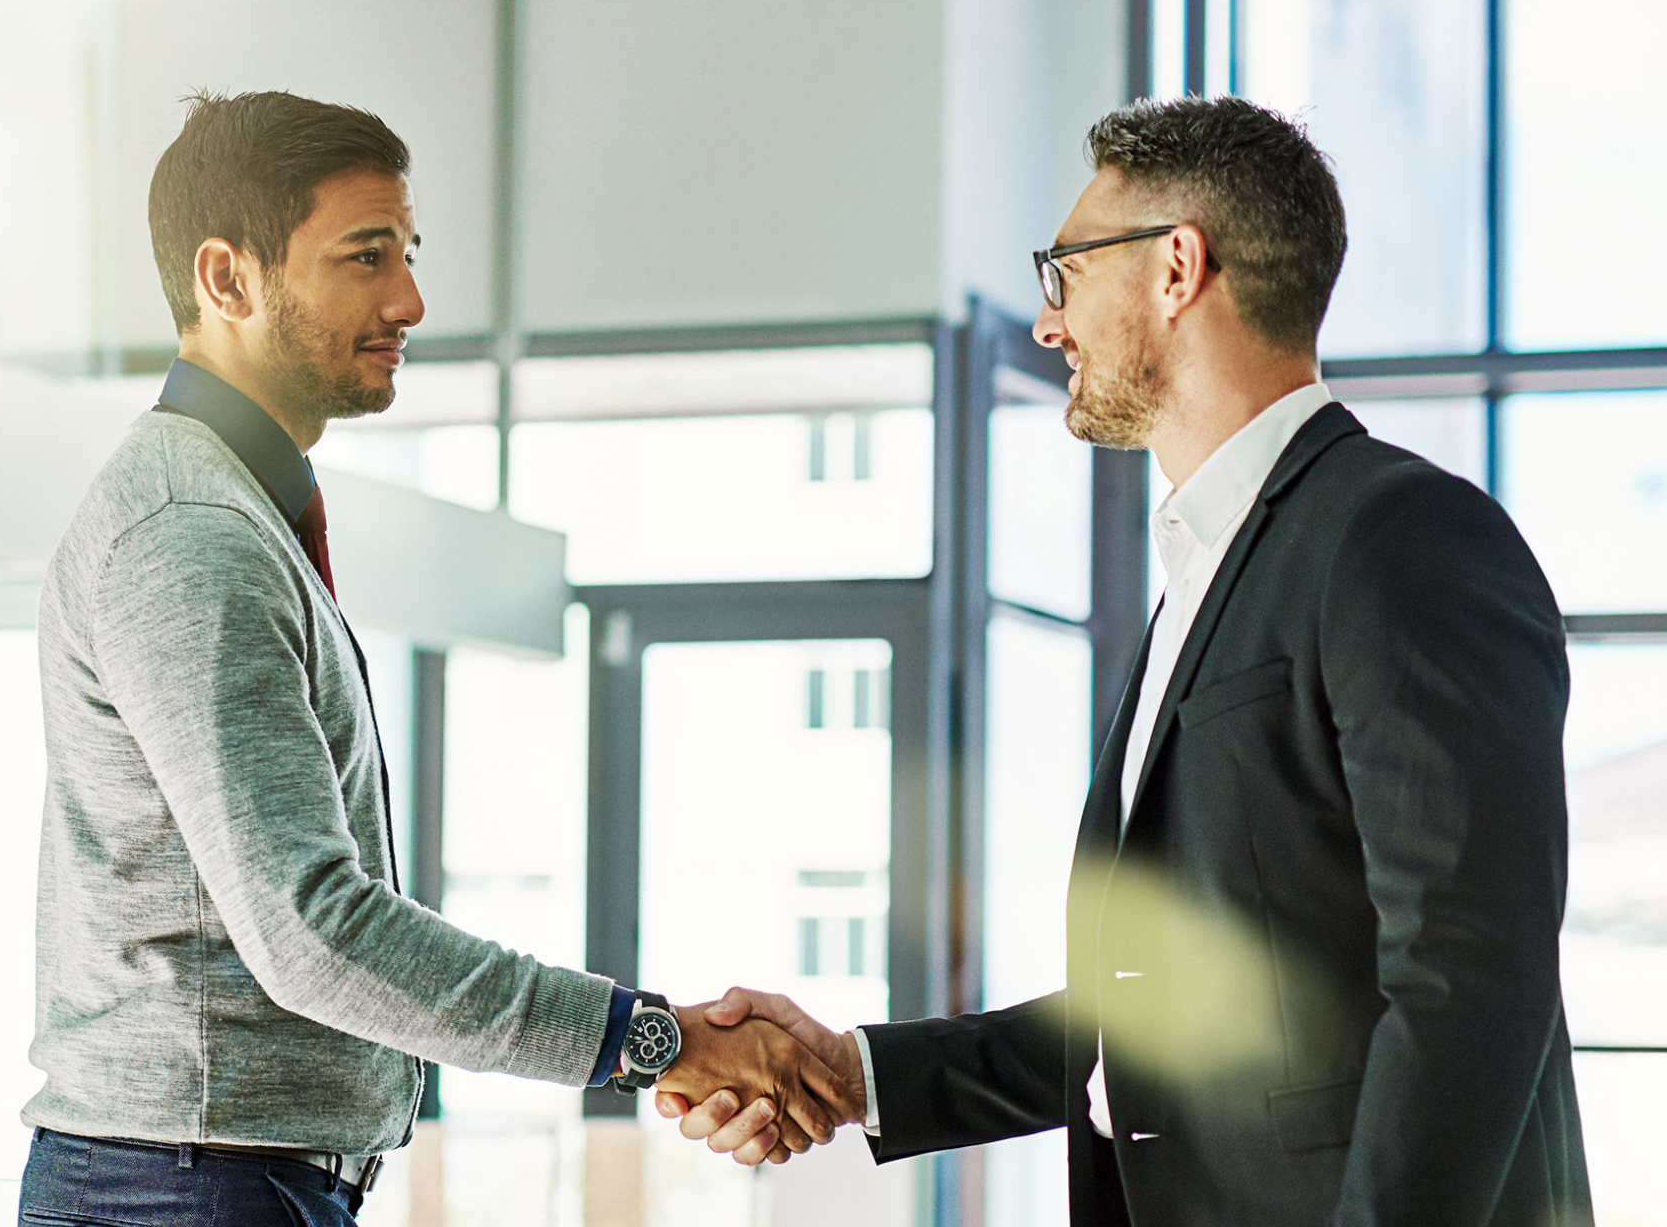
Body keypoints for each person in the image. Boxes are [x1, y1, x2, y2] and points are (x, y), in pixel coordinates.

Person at [668, 96, 1595, 1226]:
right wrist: (856, 1072)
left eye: (1065, 272)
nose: (1048, 323)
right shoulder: (1208, 567)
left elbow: (1467, 983)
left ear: (1174, 266)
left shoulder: (1400, 538)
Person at [19, 90, 852, 1227]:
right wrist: (643, 1038)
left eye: (405, 255)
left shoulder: (230, 512)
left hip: (213, 1177)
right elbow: (313, 931)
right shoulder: (190, 534)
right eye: (365, 258)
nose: (407, 300)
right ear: (228, 279)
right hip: (189, 1184)